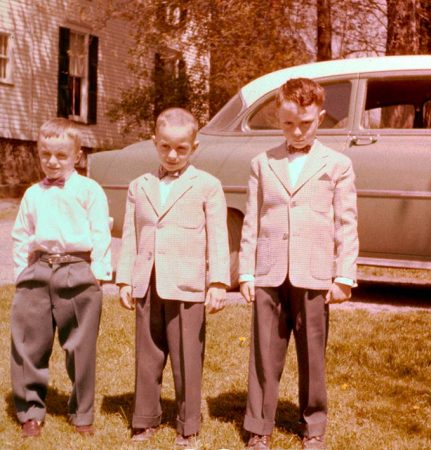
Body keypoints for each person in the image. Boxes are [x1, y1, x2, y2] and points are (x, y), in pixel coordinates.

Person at [239, 78, 359, 450]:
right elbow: (251, 220)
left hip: (315, 274)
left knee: (312, 354)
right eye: (288, 123)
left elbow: (346, 222)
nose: (297, 131)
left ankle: (314, 424)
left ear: (320, 118)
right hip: (269, 273)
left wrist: (343, 276)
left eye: (305, 123)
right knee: (264, 353)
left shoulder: (337, 164)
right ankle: (259, 425)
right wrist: (246, 271)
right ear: (278, 118)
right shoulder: (262, 163)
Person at [116, 107, 230, 448]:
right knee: (148, 355)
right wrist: (125, 279)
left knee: (186, 357)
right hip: (147, 281)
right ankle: (145, 419)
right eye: (165, 146)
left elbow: (218, 236)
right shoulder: (140, 186)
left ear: (194, 146)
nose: (172, 154)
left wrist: (218, 282)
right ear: (155, 142)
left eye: (181, 148)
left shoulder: (207, 185)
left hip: (187, 284)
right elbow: (131, 235)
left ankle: (188, 425)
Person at [10, 118, 112, 438]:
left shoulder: (90, 190)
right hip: (38, 270)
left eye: (61, 155)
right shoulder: (32, 194)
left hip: (77, 270)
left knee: (79, 345)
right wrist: (22, 274)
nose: (52, 162)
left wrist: (98, 275)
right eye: (45, 155)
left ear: (77, 156)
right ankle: (30, 411)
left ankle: (81, 413)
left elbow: (100, 232)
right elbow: (21, 236)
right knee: (29, 344)